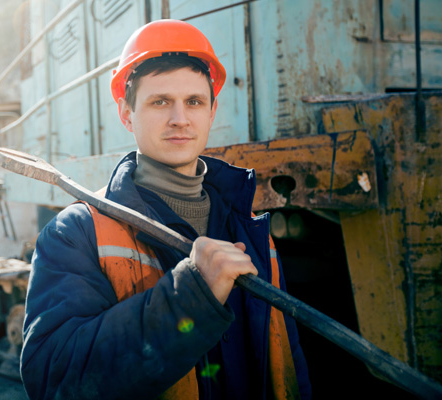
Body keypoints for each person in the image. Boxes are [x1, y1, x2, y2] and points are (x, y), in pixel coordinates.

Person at [20, 19, 311, 400]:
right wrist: (189, 296)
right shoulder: (77, 232)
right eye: (160, 102)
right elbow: (53, 378)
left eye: (194, 102)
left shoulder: (251, 229)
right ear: (126, 114)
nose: (180, 118)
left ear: (211, 111)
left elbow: (287, 362)